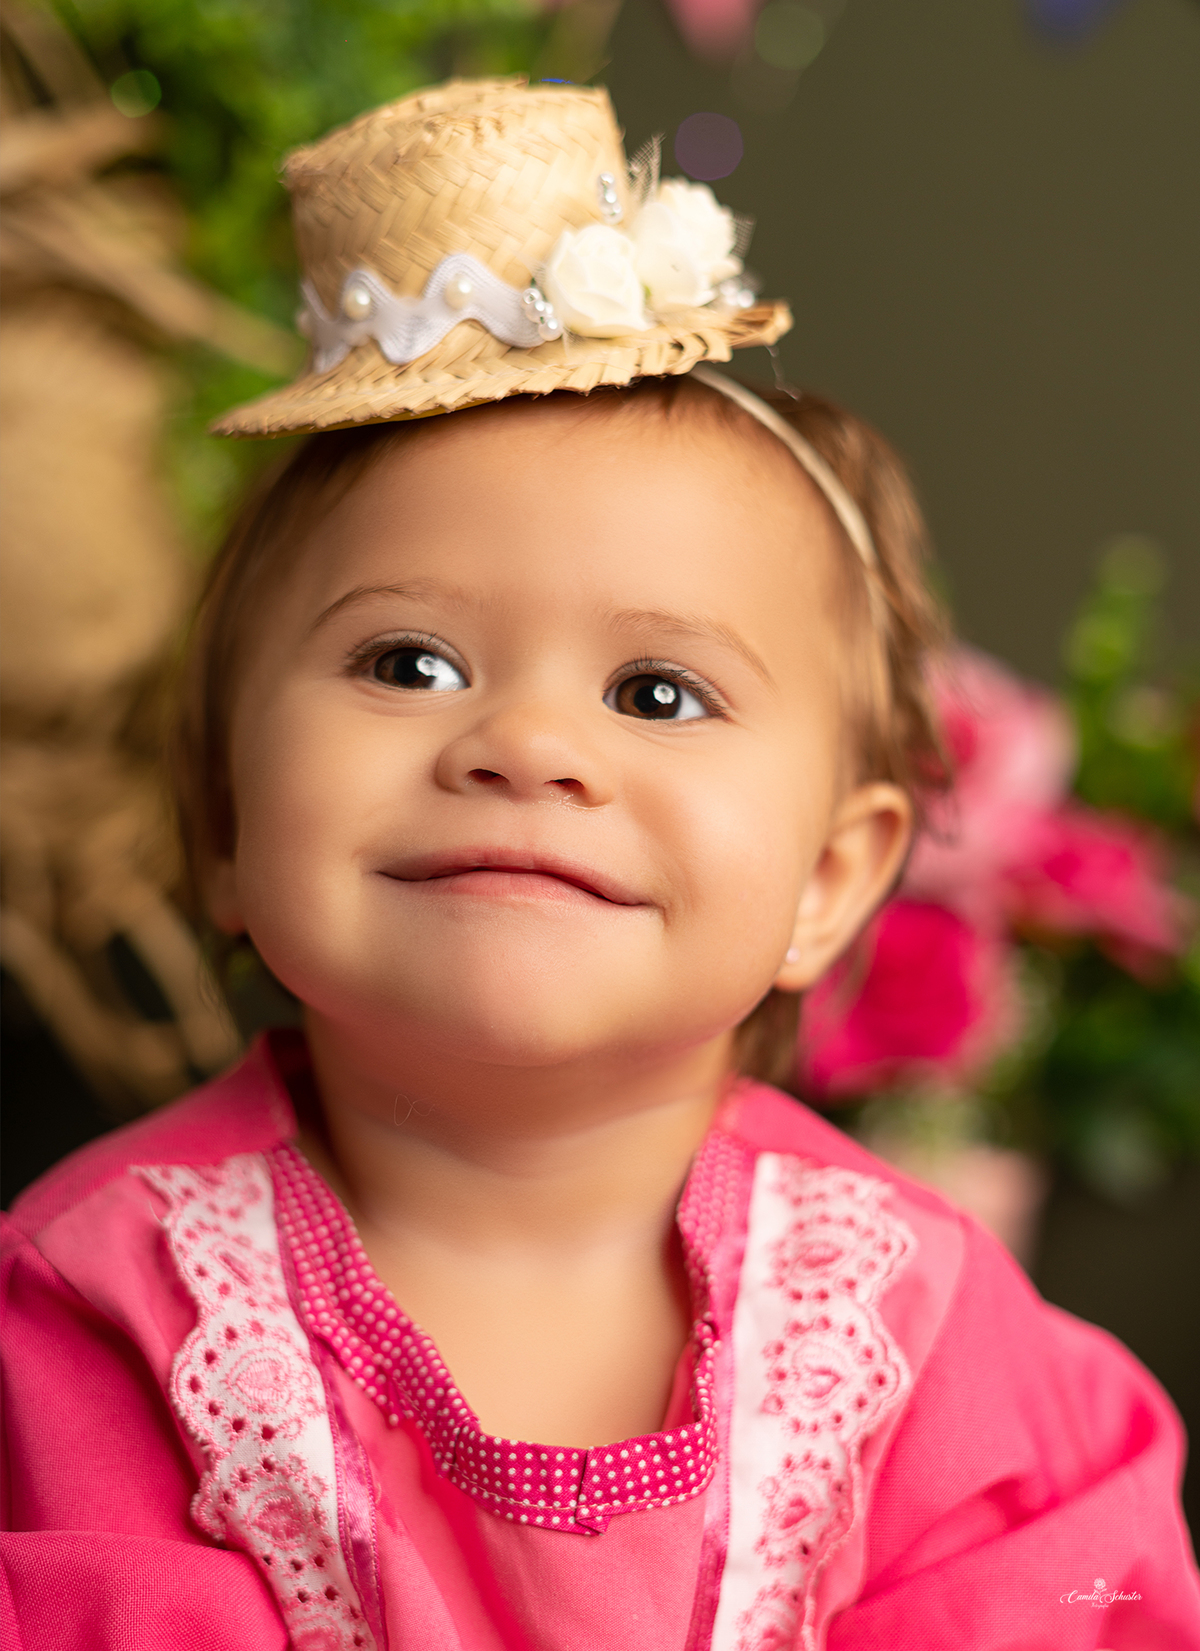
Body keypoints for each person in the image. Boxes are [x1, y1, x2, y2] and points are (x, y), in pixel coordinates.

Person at [2, 77, 1197, 1651]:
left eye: (658, 693)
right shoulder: (102, 1306)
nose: (526, 745)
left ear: (830, 883)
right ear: (226, 820)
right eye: (409, 664)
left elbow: (1084, 1602)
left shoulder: (916, 1329)